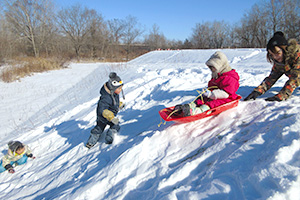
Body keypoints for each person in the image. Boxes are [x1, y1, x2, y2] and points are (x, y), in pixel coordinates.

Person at [175, 51, 240, 116]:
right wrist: (207, 92)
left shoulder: (229, 78)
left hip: (226, 98)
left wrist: (211, 94)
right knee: (202, 99)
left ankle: (199, 111)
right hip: (214, 96)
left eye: (213, 67)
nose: (211, 69)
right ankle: (191, 106)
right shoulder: (217, 74)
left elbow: (226, 94)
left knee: (213, 103)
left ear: (220, 66)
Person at [244, 31, 300, 101]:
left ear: (284, 49)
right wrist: (258, 91)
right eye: (272, 55)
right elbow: (271, 78)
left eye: (277, 53)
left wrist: (281, 96)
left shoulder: (297, 55)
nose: (275, 57)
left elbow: (295, 78)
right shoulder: (280, 61)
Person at [86, 72, 125, 148]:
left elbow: (113, 102)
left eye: (121, 88)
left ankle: (92, 140)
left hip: (107, 115)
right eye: (119, 88)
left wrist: (119, 105)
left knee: (100, 126)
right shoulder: (106, 97)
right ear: (113, 88)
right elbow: (103, 110)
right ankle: (108, 138)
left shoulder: (114, 93)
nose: (120, 90)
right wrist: (112, 118)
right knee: (114, 125)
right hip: (105, 115)